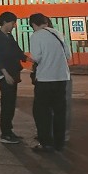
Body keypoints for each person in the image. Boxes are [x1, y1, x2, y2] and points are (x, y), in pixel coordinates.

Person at [27, 13, 70, 153]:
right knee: (59, 111)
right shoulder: (58, 34)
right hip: (62, 77)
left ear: (34, 24)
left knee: (41, 111)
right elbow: (68, 55)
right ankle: (59, 142)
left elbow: (36, 57)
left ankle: (46, 142)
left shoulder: (36, 36)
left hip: (45, 79)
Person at [0, 11, 26, 144]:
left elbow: (18, 52)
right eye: (12, 23)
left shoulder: (9, 37)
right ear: (5, 22)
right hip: (5, 76)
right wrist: (5, 74)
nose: (14, 26)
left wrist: (29, 59)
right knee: (7, 104)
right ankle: (5, 133)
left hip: (13, 74)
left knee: (11, 104)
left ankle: (9, 131)